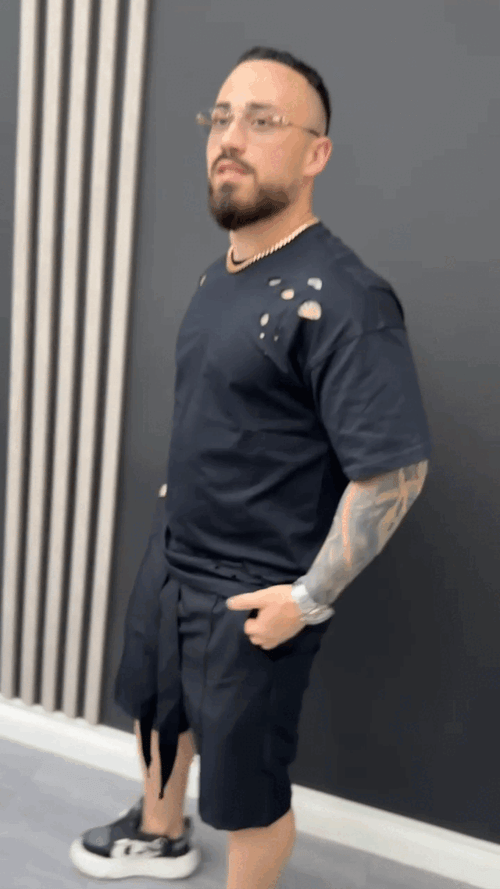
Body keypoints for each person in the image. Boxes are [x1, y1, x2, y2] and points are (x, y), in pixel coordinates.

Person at [69, 45, 432, 889]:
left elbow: (395, 474)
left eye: (262, 121)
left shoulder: (347, 298)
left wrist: (307, 599)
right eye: (222, 117)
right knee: (156, 709)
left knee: (247, 791)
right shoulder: (223, 271)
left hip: (253, 590)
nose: (230, 137)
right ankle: (160, 832)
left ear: (315, 154)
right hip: (175, 554)